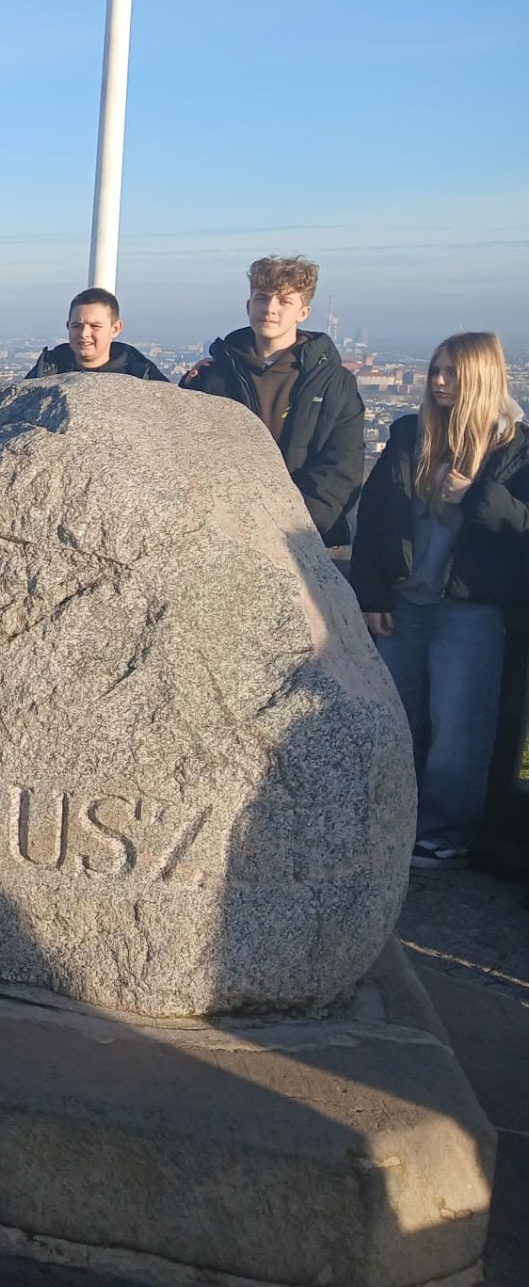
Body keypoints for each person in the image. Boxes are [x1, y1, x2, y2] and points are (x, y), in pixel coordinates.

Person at [352, 333, 529, 868]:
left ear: (481, 378)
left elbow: (521, 528)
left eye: (452, 372)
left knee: (458, 726)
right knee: (396, 718)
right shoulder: (410, 434)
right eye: (435, 370)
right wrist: (371, 594)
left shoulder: (516, 450)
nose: (439, 381)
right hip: (404, 603)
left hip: (470, 611)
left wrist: (476, 495)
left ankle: (444, 832)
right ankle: (390, 821)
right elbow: (376, 519)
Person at [181, 255, 364, 547]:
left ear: (303, 312)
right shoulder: (213, 377)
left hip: (302, 539)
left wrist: (297, 526)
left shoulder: (334, 383)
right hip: (222, 534)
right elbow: (187, 455)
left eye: (284, 301)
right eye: (262, 298)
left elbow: (341, 466)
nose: (270, 309)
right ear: (248, 306)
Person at [25, 288, 168, 382]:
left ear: (115, 329)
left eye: (95, 326)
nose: (84, 334)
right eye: (76, 326)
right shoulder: (45, 372)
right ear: (68, 326)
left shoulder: (142, 375)